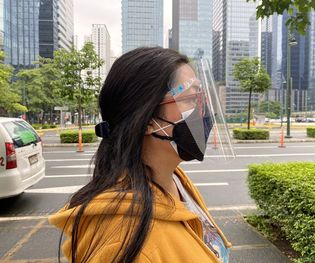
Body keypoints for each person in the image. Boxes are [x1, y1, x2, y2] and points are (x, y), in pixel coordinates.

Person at [49, 47, 232, 263]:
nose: (203, 112)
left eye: (201, 99)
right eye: (192, 99)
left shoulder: (174, 179)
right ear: (147, 119)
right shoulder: (122, 242)